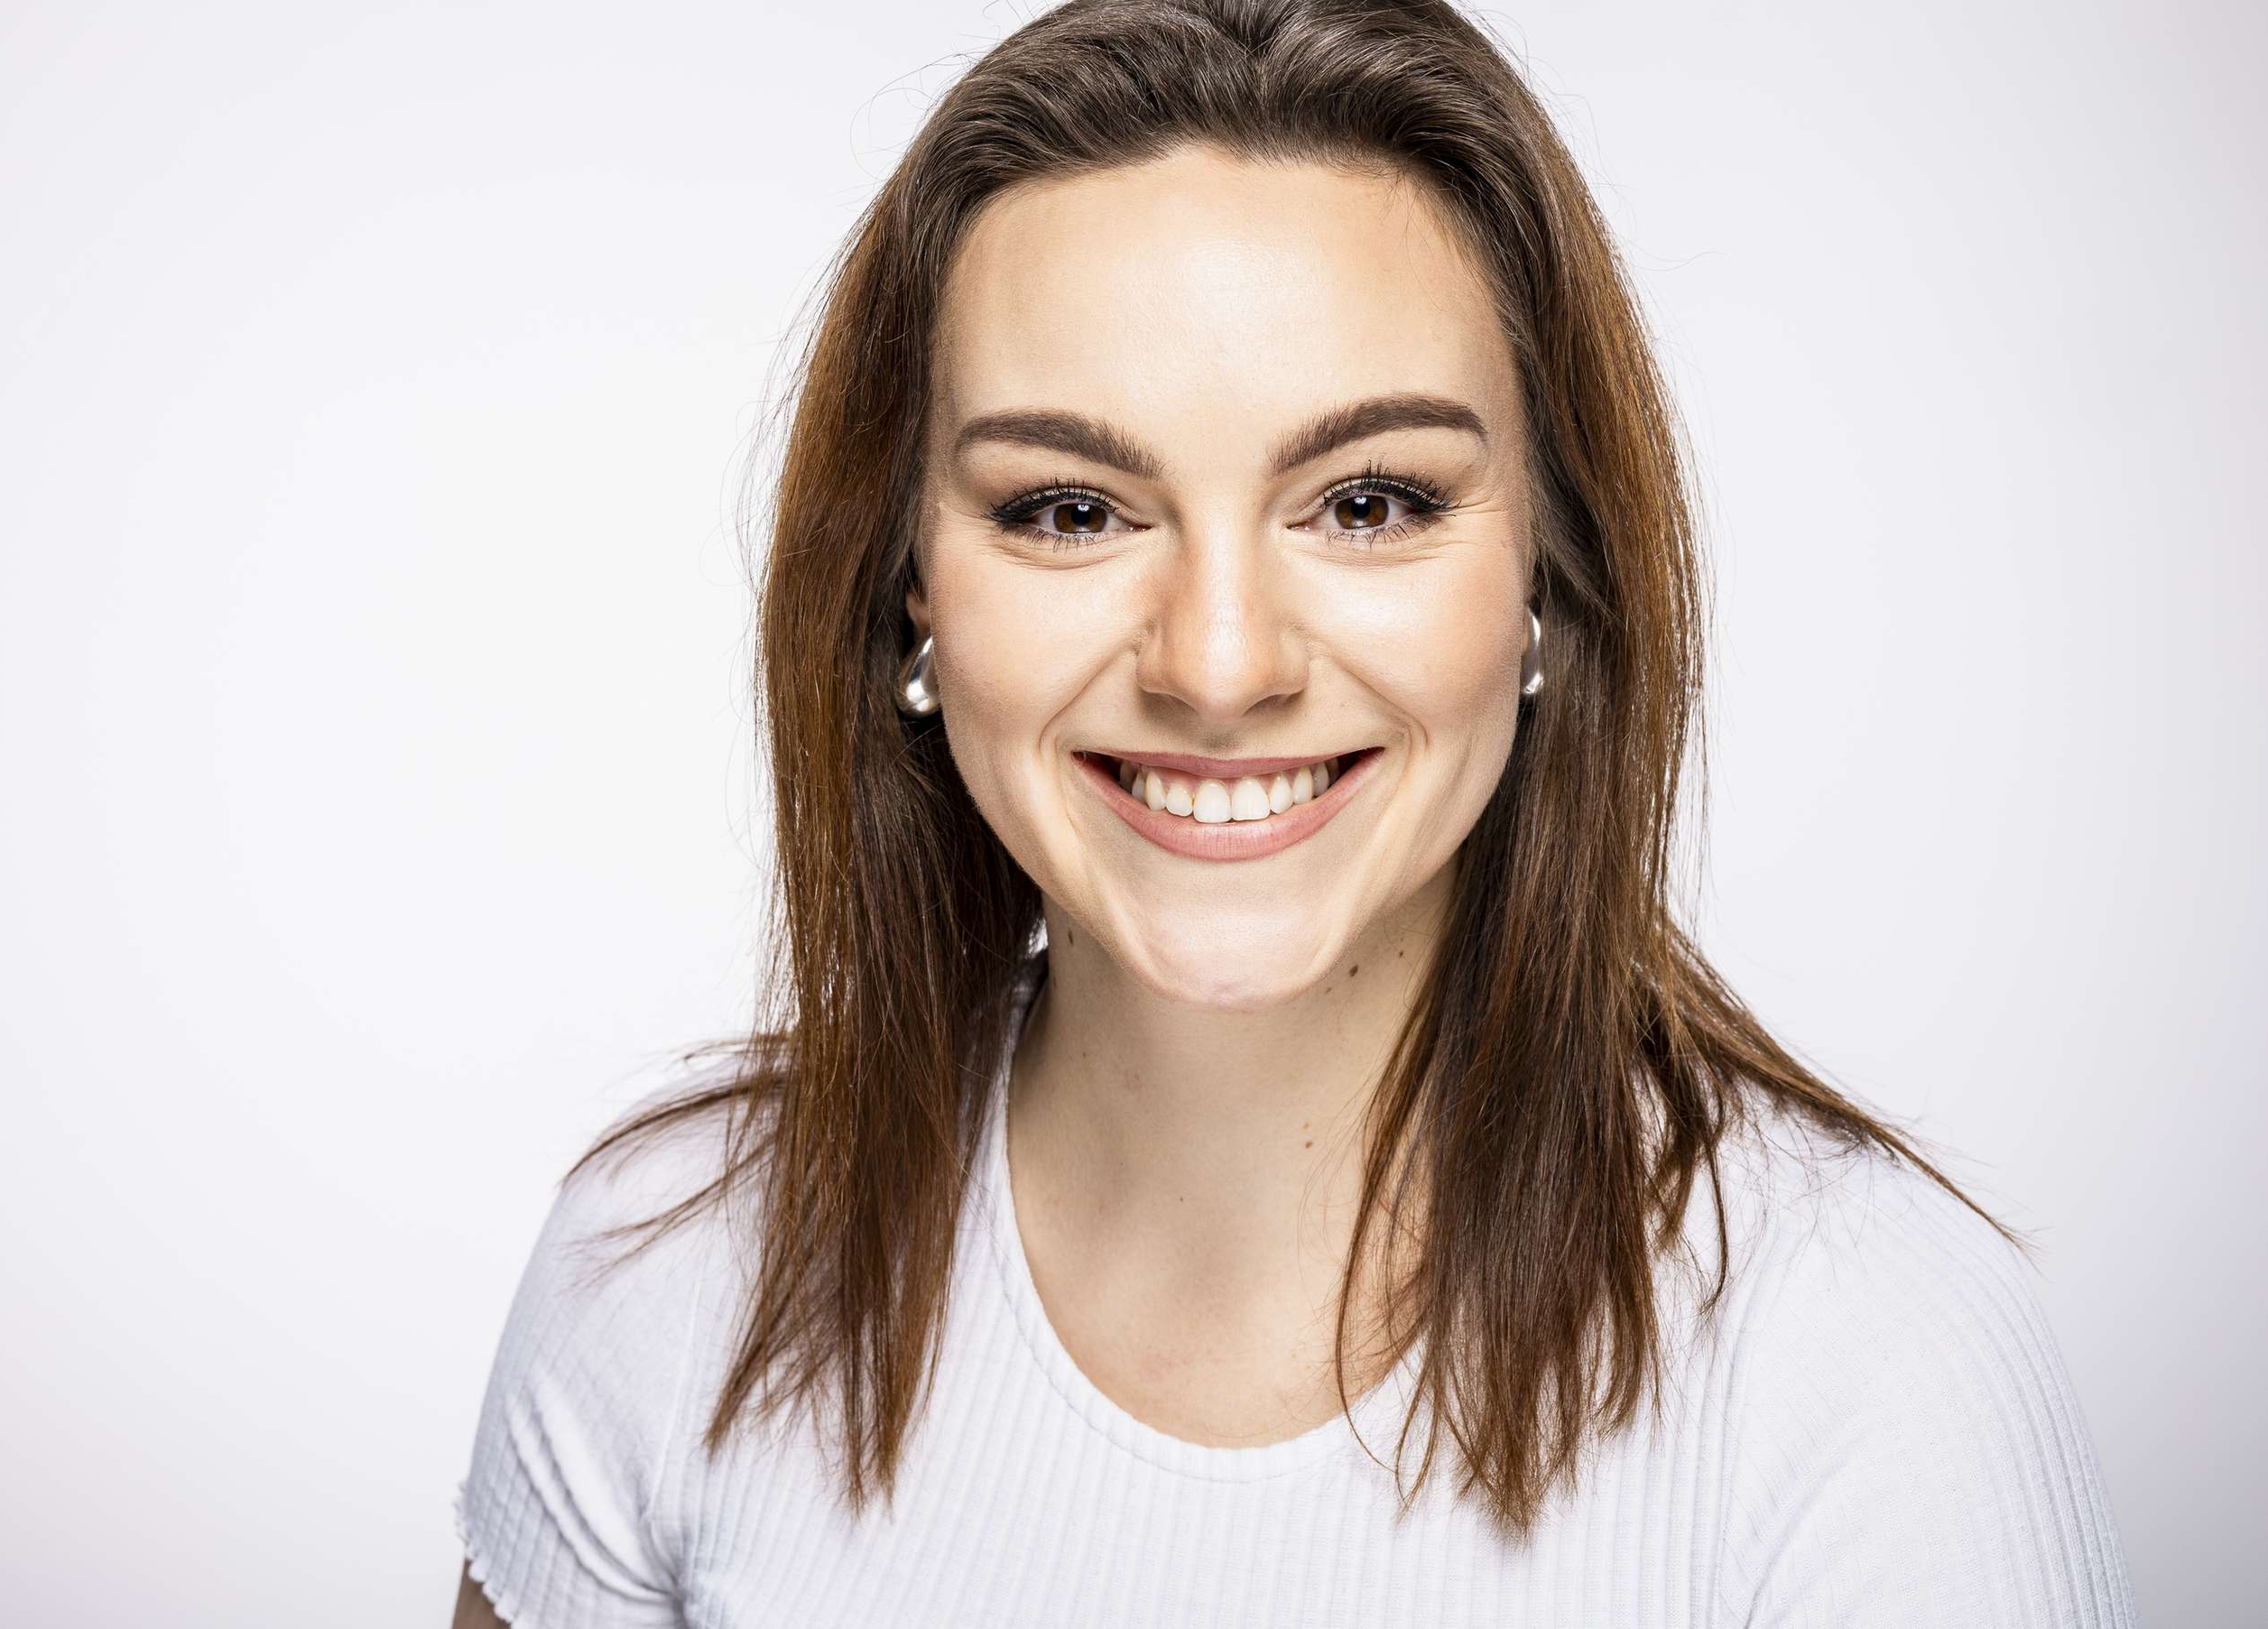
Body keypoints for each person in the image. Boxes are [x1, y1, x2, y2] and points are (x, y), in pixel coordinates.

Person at [449, 1, 2140, 1623]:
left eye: (1372, 499)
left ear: (1551, 579)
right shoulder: (666, 1282)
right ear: (909, 597)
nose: (1220, 661)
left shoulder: (1868, 1369)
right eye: (1066, 508)